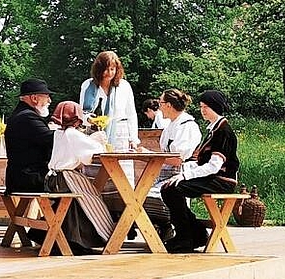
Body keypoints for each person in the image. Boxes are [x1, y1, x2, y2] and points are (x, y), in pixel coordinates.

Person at [161, 90, 239, 253]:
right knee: (169, 188)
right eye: (202, 106)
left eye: (206, 107)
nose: (203, 110)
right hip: (214, 177)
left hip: (223, 181)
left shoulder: (223, 131)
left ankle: (186, 236)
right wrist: (185, 172)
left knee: (173, 189)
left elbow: (214, 166)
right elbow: (202, 162)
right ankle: (194, 232)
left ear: (215, 107)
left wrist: (185, 175)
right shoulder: (214, 129)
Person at [46, 101, 116, 253]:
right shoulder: (72, 134)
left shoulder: (57, 133)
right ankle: (82, 240)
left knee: (88, 195)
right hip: (65, 179)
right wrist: (97, 139)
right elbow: (92, 152)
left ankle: (72, 239)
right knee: (92, 199)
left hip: (55, 178)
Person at [142, 89, 202, 240]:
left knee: (139, 199)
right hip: (164, 173)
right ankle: (163, 227)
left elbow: (177, 159)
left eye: (161, 103)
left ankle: (171, 227)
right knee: (133, 196)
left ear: (168, 105)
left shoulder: (187, 126)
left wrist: (149, 155)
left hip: (179, 174)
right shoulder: (171, 125)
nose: (159, 106)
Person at [79, 50, 140, 185]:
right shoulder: (88, 85)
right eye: (105, 69)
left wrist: (133, 138)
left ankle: (124, 203)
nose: (109, 73)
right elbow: (82, 112)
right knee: (96, 171)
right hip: (96, 132)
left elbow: (131, 113)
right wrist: (89, 119)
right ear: (98, 69)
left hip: (120, 133)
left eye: (112, 69)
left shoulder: (124, 86)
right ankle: (95, 202)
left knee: (121, 171)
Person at [4, 78, 55, 193]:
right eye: (47, 97)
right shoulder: (27, 117)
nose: (50, 101)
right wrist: (70, 134)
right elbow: (52, 140)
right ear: (34, 98)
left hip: (21, 178)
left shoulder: (20, 115)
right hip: (30, 179)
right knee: (72, 187)